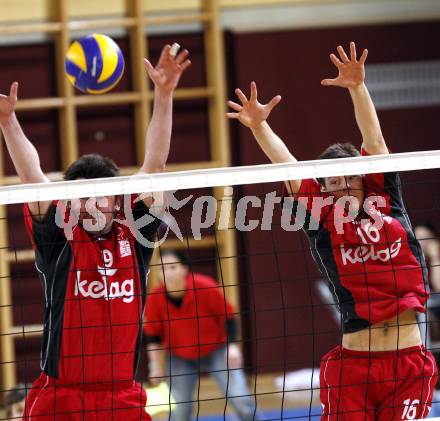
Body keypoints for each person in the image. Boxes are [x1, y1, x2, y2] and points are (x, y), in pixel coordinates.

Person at [227, 42, 438, 420]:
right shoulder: (322, 216)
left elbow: (373, 140)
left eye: (344, 179)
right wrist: (259, 125)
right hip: (354, 366)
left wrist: (358, 88)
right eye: (329, 183)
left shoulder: (385, 196)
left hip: (408, 363)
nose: (337, 186)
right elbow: (286, 164)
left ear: (361, 177)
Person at [0, 44, 191, 421]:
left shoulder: (134, 233)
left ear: (116, 200)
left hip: (122, 395)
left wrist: (164, 94)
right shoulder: (60, 235)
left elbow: (154, 165)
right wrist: (8, 122)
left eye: (101, 198)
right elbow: (32, 178)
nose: (92, 206)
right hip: (61, 397)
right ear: (68, 203)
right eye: (82, 199)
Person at [144, 249, 264, 421]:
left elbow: (228, 318)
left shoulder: (205, 286)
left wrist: (233, 347)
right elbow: (153, 336)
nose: (167, 273)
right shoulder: (155, 299)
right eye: (163, 268)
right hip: (180, 357)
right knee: (179, 412)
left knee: (242, 401)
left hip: (217, 350)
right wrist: (154, 366)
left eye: (172, 267)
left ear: (184, 269)